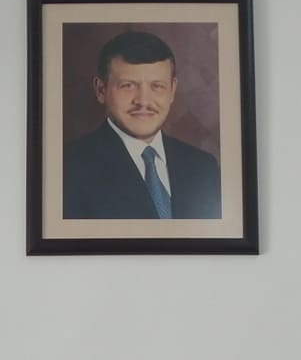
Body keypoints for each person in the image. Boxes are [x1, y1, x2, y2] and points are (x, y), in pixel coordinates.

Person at [63, 30, 221, 220]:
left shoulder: (203, 167)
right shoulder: (68, 168)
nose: (143, 101)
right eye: (128, 85)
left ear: (172, 90)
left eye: (157, 86)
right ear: (101, 90)